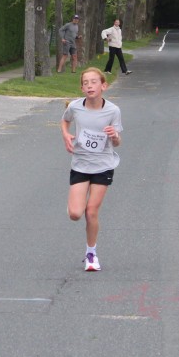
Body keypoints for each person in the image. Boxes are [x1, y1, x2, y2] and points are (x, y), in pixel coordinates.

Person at [60, 67, 123, 272]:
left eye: (94, 82)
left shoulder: (113, 111)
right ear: (82, 88)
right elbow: (65, 120)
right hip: (80, 163)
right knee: (75, 214)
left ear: (103, 86)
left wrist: (114, 135)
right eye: (85, 83)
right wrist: (66, 135)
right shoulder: (75, 107)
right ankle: (74, 205)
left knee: (91, 211)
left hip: (103, 165)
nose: (89, 86)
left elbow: (117, 142)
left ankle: (91, 254)